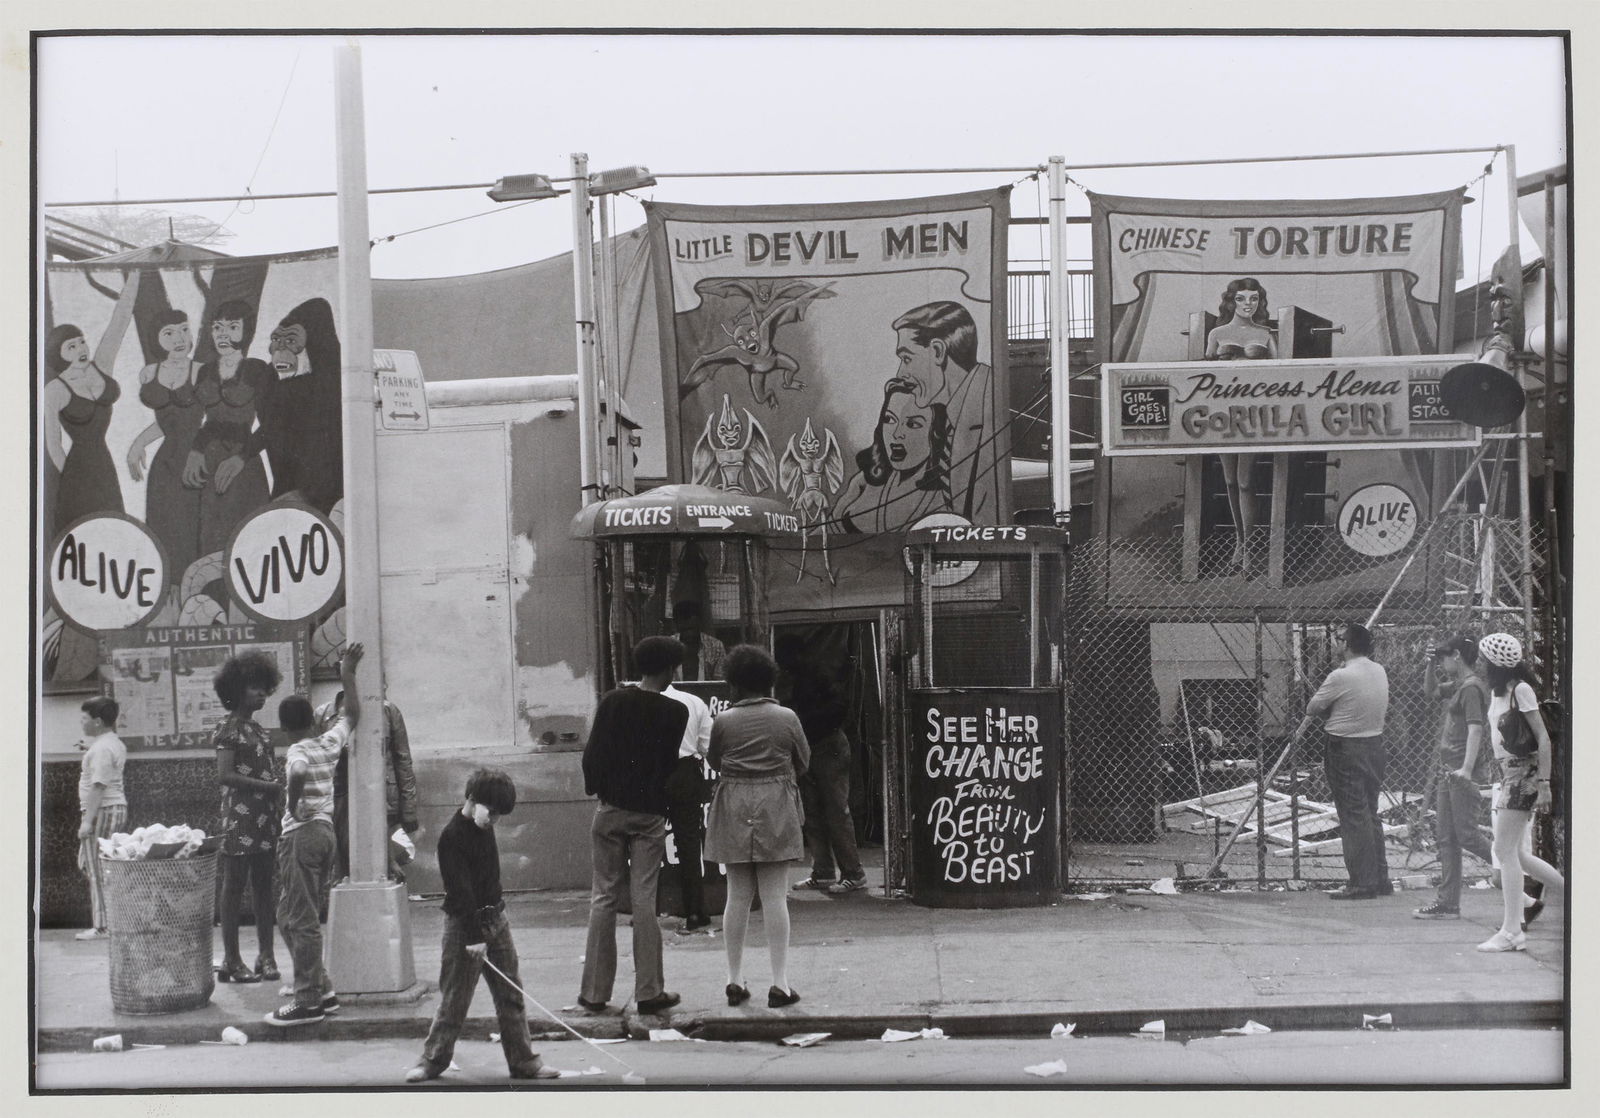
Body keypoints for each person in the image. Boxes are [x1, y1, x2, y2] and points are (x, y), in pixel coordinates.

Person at [405, 768, 559, 1083]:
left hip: (496, 919)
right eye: (492, 811)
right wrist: (475, 937)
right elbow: (460, 893)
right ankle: (432, 1061)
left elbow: (489, 880)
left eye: (500, 814)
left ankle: (524, 1062)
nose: (495, 820)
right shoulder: (452, 837)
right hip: (465, 926)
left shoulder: (483, 825)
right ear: (472, 800)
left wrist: (494, 922)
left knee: (510, 994)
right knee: (455, 999)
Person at [578, 636, 689, 1017]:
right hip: (649, 813)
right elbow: (668, 765)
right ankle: (648, 991)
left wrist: (601, 791)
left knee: (603, 896)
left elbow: (592, 756)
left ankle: (594, 992)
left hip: (610, 809)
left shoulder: (612, 702)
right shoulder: (676, 713)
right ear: (670, 670)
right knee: (644, 900)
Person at [266, 642, 364, 1027]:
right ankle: (322, 987)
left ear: (287, 728)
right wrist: (347, 673)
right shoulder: (328, 741)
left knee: (302, 918)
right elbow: (352, 714)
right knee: (287, 914)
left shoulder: (297, 750)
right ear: (312, 718)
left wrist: (292, 805)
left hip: (301, 836)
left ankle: (308, 1001)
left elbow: (296, 773)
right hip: (325, 835)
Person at [707, 644, 810, 1009]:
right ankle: (780, 983)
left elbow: (715, 760)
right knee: (773, 896)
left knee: (737, 895)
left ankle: (734, 979)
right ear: (769, 681)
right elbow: (804, 760)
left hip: (733, 804)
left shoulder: (723, 721)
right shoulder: (787, 717)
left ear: (733, 683)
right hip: (776, 804)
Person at [1476, 633, 1563, 953]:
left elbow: (1543, 737)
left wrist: (1544, 783)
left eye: (1485, 659)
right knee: (1519, 854)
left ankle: (1512, 930)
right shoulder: (1498, 693)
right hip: (1509, 773)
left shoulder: (1520, 690)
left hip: (1523, 775)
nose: (1481, 663)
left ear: (1496, 663)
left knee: (1504, 851)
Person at [1297, 623, 1391, 900]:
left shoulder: (1341, 675)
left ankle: (1362, 882)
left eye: (1338, 639)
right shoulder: (1378, 670)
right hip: (1374, 744)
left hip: (1345, 747)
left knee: (1353, 815)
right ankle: (1379, 877)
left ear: (1347, 644)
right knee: (1369, 812)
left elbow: (1312, 707)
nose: (1335, 643)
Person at [886, 301, 998, 522]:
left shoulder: (989, 411)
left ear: (938, 352)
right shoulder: (956, 419)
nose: (901, 373)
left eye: (906, 359)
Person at [211, 650, 285, 983]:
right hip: (238, 820)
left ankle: (266, 957)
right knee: (233, 886)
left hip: (264, 818)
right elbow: (224, 775)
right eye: (253, 687)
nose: (261, 694)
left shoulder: (258, 730)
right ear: (236, 689)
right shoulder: (228, 730)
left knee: (264, 887)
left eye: (263, 688)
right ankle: (231, 959)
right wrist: (267, 787)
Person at [776, 635, 866, 895]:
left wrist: (803, 721)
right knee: (817, 812)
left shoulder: (812, 677)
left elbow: (839, 709)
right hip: (821, 743)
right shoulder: (807, 676)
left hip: (825, 744)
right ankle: (827, 871)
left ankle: (852, 872)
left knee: (834, 811)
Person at [1203, 278, 1279, 577]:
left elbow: (1285, 374)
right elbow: (1203, 373)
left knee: (1246, 481)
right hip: (1223, 412)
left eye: (1254, 299)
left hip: (1253, 412)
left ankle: (1249, 550)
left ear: (1260, 302)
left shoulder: (1265, 335)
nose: (1248, 304)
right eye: (1242, 299)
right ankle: (1239, 541)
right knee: (1230, 481)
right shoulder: (1217, 333)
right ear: (1231, 302)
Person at [1414, 635, 1493, 919]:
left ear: (1457, 655)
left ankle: (1517, 874)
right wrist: (1430, 665)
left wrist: (1467, 770)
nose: (1443, 661)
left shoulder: (1471, 688)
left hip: (1461, 772)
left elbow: (1476, 729)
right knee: (1446, 838)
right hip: (1448, 771)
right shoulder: (1459, 685)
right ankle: (1448, 903)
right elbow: (1430, 692)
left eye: (1445, 657)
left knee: (1468, 835)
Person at [127, 308, 205, 592]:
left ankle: (194, 594)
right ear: (157, 339)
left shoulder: (201, 370)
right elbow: (167, 423)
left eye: (184, 329)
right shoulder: (149, 373)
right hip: (165, 464)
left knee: (191, 528)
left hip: (196, 459)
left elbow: (205, 421)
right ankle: (166, 595)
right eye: (169, 333)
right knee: (163, 524)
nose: (179, 338)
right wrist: (138, 443)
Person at [192, 299, 274, 558]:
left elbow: (271, 425)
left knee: (246, 536)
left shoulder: (257, 369)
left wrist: (241, 458)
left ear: (246, 330)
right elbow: (209, 422)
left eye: (232, 326)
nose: (223, 334)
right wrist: (196, 451)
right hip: (209, 463)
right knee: (211, 535)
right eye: (217, 327)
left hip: (243, 462)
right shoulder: (205, 371)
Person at [315, 690, 419, 884]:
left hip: (381, 797)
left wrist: (409, 807)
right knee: (344, 866)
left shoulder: (388, 710)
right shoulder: (324, 713)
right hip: (339, 799)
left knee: (382, 861)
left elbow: (402, 759)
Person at [832, 377, 954, 535]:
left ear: (935, 435)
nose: (897, 434)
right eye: (889, 419)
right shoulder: (865, 480)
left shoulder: (946, 495)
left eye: (912, 424)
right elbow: (823, 535)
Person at [43, 323, 127, 543]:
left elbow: (117, 328)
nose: (81, 349)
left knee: (111, 525)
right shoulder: (54, 389)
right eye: (71, 346)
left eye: (82, 342)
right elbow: (53, 442)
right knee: (81, 534)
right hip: (76, 470)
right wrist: (71, 478)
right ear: (58, 354)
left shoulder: (99, 369)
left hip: (104, 464)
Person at [662, 665, 715, 933]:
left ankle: (648, 908)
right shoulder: (694, 702)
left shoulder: (634, 700)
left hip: (651, 774)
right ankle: (695, 910)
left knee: (647, 842)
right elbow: (707, 745)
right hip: (685, 773)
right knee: (689, 843)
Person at [74, 697, 128, 942]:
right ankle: (110, 921)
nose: (81, 723)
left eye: (84, 719)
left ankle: (103, 926)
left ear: (96, 722)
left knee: (96, 868)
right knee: (91, 864)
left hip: (102, 811)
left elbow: (98, 786)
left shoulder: (102, 749)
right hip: (110, 809)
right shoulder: (109, 743)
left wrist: (87, 821)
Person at [672, 599, 726, 682]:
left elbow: (720, 681)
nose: (690, 634)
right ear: (676, 625)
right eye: (685, 630)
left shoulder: (716, 646)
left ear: (700, 624)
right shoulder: (666, 647)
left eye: (693, 629)